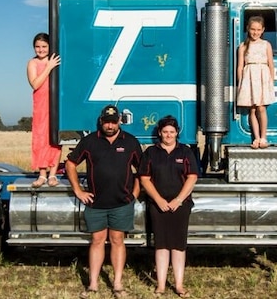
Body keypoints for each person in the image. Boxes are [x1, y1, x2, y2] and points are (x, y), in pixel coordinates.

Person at [66, 104, 143, 298]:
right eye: (106, 122)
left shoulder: (130, 142)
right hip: (96, 202)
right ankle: (93, 284)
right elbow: (70, 163)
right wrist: (78, 190)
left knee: (118, 240)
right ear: (101, 121)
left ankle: (117, 284)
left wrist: (135, 193)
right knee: (97, 240)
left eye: (113, 122)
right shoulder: (90, 141)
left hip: (122, 202)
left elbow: (142, 170)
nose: (110, 125)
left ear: (119, 121)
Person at [138, 115, 198, 298]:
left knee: (178, 246)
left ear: (177, 133)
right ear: (159, 133)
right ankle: (161, 286)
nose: (168, 135)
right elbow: (144, 178)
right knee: (162, 245)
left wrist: (179, 200)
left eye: (172, 132)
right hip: (158, 206)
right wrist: (158, 200)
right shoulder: (151, 152)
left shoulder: (185, 152)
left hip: (181, 205)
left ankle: (179, 285)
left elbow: (192, 176)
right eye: (165, 132)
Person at [27, 32, 62, 188]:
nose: (40, 50)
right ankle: (42, 175)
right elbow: (35, 84)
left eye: (44, 46)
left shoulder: (55, 59)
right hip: (41, 104)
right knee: (41, 138)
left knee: (55, 138)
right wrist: (48, 67)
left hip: (56, 102)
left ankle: (53, 175)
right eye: (37, 46)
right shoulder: (32, 63)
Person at [236, 15, 275, 149]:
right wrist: (241, 83)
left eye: (258, 30)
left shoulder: (266, 45)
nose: (255, 32)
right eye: (253, 29)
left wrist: (271, 82)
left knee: (261, 108)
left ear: (263, 30)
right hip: (249, 78)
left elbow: (271, 64)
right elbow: (240, 66)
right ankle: (256, 138)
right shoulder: (243, 46)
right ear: (248, 29)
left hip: (263, 77)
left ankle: (263, 137)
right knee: (252, 109)